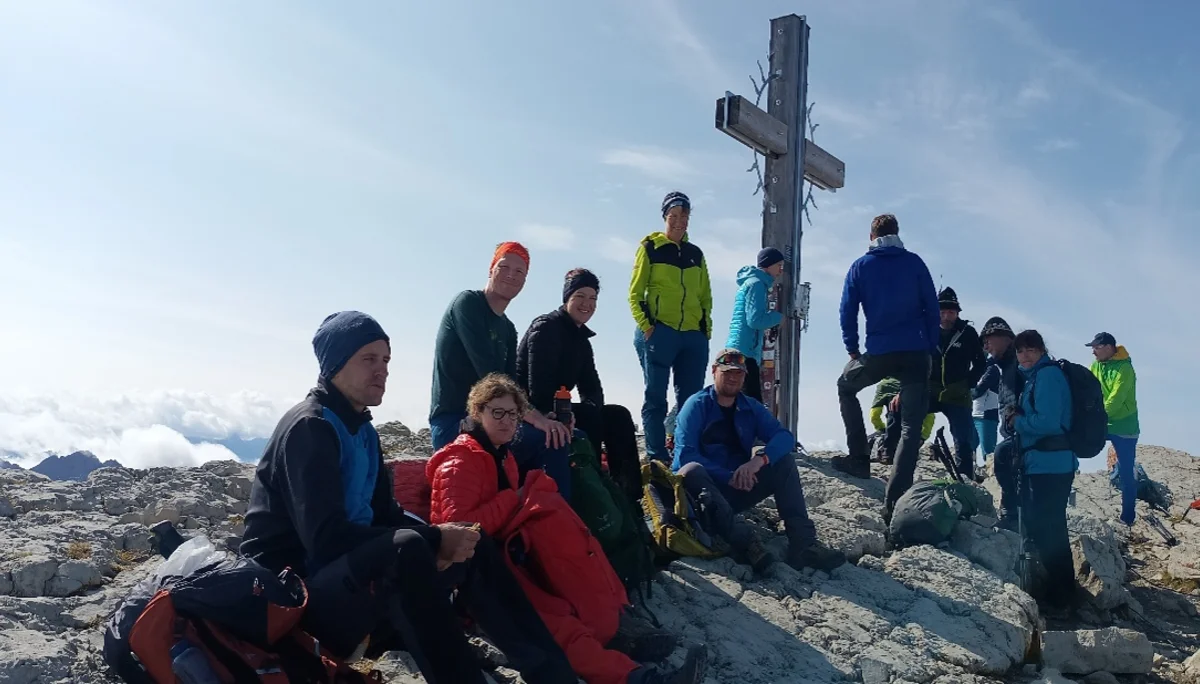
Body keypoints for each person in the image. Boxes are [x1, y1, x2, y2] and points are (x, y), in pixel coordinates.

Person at [240, 312, 577, 684]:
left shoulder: (363, 430)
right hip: (290, 600)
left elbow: (385, 514)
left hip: (345, 583)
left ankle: (553, 674)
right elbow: (325, 539)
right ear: (335, 363)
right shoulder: (311, 428)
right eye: (368, 359)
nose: (382, 370)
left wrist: (447, 536)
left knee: (471, 541)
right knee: (408, 548)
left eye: (385, 360)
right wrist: (432, 540)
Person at [427, 374, 706, 684]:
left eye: (512, 414)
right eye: (497, 413)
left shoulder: (500, 455)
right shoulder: (462, 459)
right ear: (477, 412)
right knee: (555, 622)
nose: (506, 422)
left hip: (504, 556)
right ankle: (640, 678)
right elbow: (456, 531)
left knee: (571, 578)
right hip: (474, 577)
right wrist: (514, 498)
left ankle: (615, 630)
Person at [673, 349, 846, 573]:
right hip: (701, 495)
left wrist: (759, 460)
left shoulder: (750, 407)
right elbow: (685, 456)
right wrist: (730, 476)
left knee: (783, 462)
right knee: (691, 470)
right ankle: (745, 544)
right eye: (727, 372)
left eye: (739, 373)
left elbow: (784, 437)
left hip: (738, 488)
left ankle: (804, 545)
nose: (733, 377)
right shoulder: (696, 405)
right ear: (714, 371)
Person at [429, 241, 573, 498]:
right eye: (504, 267)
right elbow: (491, 379)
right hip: (454, 422)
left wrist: (542, 416)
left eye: (520, 272)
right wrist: (535, 420)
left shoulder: (508, 329)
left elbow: (512, 389)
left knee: (564, 435)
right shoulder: (468, 304)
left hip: (496, 420)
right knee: (548, 440)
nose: (511, 275)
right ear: (491, 269)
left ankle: (542, 521)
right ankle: (555, 525)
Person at [834, 213, 939, 515]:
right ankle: (895, 502)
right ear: (898, 233)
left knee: (846, 387)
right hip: (917, 352)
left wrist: (852, 347)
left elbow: (847, 309)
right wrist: (930, 346)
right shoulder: (915, 262)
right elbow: (931, 307)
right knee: (910, 427)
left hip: (879, 351)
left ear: (871, 237)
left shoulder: (861, 266)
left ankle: (858, 459)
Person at [516, 268, 642, 502]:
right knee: (588, 416)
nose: (587, 304)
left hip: (560, 408)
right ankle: (591, 486)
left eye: (593, 298)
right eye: (580, 296)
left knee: (617, 415)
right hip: (529, 412)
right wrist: (559, 415)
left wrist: (594, 408)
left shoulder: (581, 340)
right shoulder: (546, 328)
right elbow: (537, 387)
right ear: (567, 298)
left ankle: (626, 496)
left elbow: (591, 387)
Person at [630, 191, 714, 462]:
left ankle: (685, 454)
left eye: (684, 216)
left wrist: (705, 332)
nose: (679, 221)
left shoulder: (696, 254)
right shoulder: (650, 248)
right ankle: (656, 456)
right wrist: (647, 326)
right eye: (674, 216)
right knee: (655, 398)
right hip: (660, 331)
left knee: (691, 402)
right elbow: (635, 293)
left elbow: (705, 296)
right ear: (665, 216)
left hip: (692, 336)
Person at [1009, 329, 1077, 611]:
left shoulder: (1047, 375)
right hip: (1044, 463)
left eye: (1030, 350)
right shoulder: (1035, 377)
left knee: (1051, 530)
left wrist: (1018, 422)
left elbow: (1049, 422)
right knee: (1046, 527)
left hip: (1052, 465)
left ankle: (1063, 597)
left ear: (1041, 350)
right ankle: (1058, 593)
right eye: (1020, 351)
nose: (1024, 356)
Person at [928, 287, 986, 479]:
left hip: (957, 393)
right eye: (942, 311)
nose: (946, 316)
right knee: (907, 423)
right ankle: (893, 459)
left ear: (957, 313)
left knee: (963, 439)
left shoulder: (968, 333)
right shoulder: (925, 330)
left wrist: (968, 383)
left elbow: (980, 363)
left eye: (951, 312)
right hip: (928, 390)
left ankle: (965, 479)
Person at [1088, 332, 1141, 525]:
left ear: (1109, 347)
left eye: (1096, 347)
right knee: (1072, 448)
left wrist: (1096, 417)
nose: (1093, 352)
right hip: (1101, 421)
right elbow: (1088, 388)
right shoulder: (1095, 366)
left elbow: (1116, 400)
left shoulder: (1125, 368)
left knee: (1127, 472)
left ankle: (1128, 518)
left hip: (1124, 425)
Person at [725, 247, 785, 402]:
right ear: (768, 264)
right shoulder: (757, 284)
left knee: (741, 403)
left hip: (740, 349)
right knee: (750, 405)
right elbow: (755, 320)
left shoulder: (752, 283)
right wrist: (778, 318)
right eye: (778, 265)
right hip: (744, 352)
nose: (781, 269)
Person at [981, 317, 1024, 531]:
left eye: (989, 340)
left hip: (1026, 433)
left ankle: (1012, 516)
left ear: (1006, 339)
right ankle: (1012, 515)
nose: (986, 346)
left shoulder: (1020, 363)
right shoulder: (1005, 366)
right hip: (1014, 432)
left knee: (1004, 458)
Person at [869, 377, 934, 464]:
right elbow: (929, 415)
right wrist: (923, 436)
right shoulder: (920, 385)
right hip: (912, 436)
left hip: (891, 437)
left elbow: (874, 415)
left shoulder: (885, 385)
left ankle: (885, 454)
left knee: (870, 439)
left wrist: (881, 429)